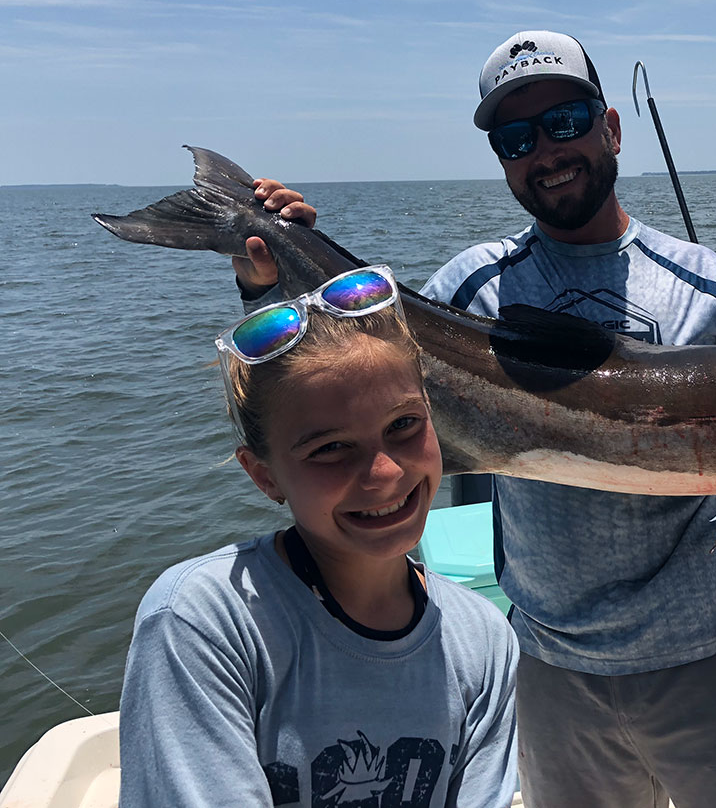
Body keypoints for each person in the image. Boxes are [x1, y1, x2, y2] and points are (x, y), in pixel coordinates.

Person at [236, 32, 716, 807]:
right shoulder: (469, 288)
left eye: (565, 120)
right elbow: (350, 381)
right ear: (502, 158)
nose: (546, 151)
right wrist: (281, 270)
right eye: (516, 137)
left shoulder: (701, 282)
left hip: (710, 649)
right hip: (552, 666)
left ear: (612, 128)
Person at [118, 266, 519, 808]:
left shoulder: (485, 639)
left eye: (404, 425)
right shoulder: (204, 620)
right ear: (264, 475)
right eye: (329, 449)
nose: (384, 473)